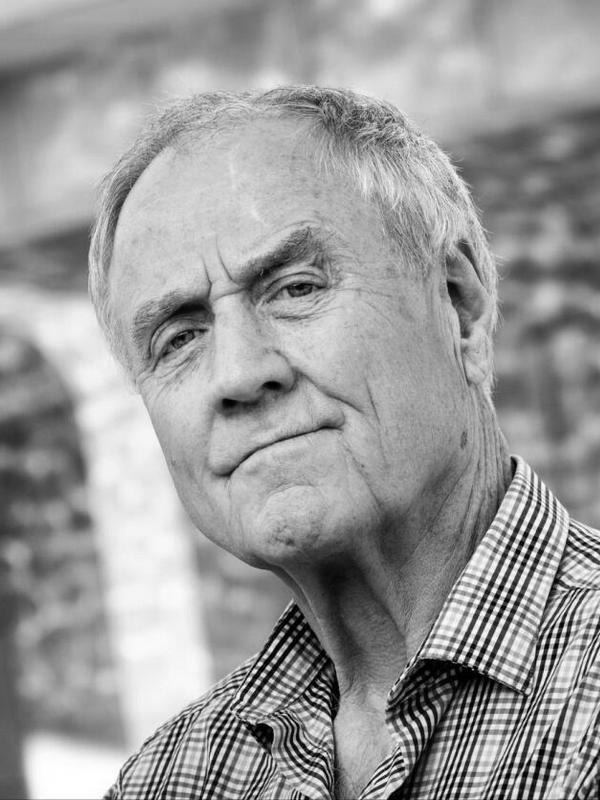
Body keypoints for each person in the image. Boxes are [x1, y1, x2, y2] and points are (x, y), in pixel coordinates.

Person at [89, 87, 600, 800]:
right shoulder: (171, 779)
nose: (239, 374)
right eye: (179, 338)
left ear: (459, 304)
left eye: (295, 289)